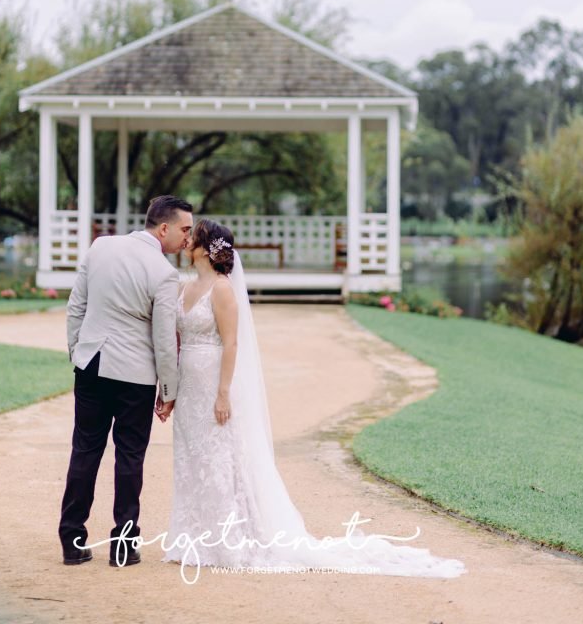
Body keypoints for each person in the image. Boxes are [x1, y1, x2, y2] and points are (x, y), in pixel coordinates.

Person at [161, 219, 466, 579]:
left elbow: (231, 343)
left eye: (192, 236)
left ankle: (227, 540)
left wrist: (223, 394)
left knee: (219, 459)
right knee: (192, 459)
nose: (186, 240)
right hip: (189, 388)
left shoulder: (223, 290)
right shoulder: (184, 288)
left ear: (206, 247)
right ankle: (193, 536)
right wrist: (171, 391)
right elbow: (175, 343)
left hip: (214, 383)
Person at [58, 194, 193, 567]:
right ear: (163, 228)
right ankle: (123, 546)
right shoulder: (165, 274)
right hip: (135, 376)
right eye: (184, 229)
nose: (187, 237)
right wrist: (169, 390)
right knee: (130, 457)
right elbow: (164, 339)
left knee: (85, 451)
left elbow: (76, 306)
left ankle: (72, 539)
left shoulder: (101, 247)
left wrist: (77, 350)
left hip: (91, 364)